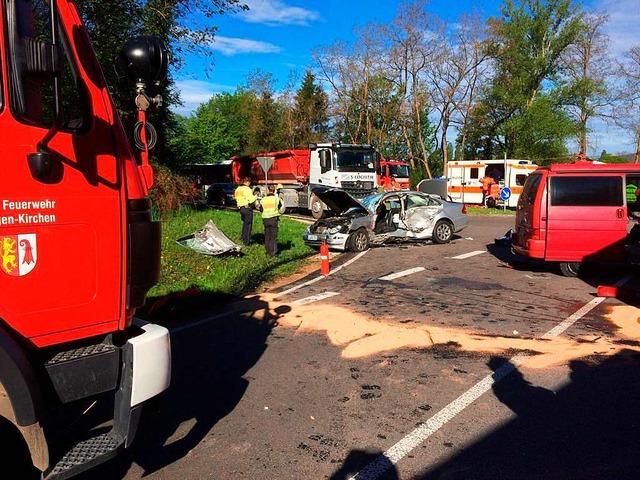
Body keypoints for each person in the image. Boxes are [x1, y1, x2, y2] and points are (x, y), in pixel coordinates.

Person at [259, 184, 285, 257]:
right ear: (274, 191)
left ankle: (267, 251)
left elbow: (260, 209)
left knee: (267, 236)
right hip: (273, 219)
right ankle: (273, 253)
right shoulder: (276, 199)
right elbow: (281, 208)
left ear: (268, 190)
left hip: (265, 220)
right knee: (273, 236)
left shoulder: (263, 200)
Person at [234, 177, 257, 245]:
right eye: (249, 182)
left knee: (245, 224)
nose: (250, 184)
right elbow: (251, 199)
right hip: (247, 208)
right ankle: (246, 241)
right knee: (248, 224)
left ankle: (243, 238)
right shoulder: (247, 189)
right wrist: (256, 196)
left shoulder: (238, 189)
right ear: (247, 182)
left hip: (241, 208)